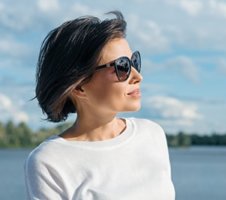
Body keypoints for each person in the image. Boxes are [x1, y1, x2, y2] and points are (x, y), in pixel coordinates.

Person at [24, 11, 175, 200]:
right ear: (79, 87)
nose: (138, 76)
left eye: (134, 62)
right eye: (122, 66)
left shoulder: (152, 134)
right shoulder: (49, 161)